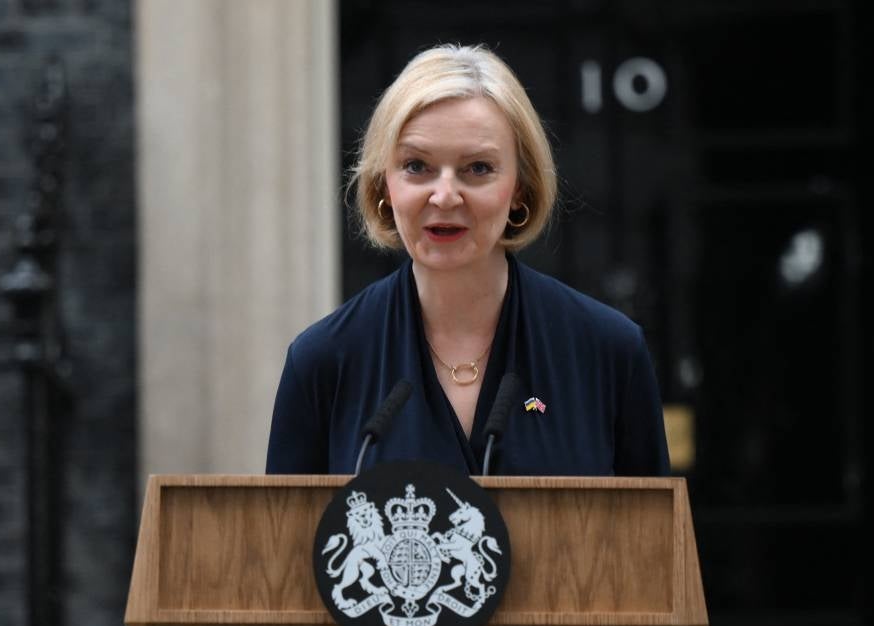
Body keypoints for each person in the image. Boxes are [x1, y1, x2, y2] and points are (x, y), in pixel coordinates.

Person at [266, 44, 669, 476]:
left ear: (520, 187)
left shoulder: (608, 351)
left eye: (477, 168)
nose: (444, 195)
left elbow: (653, 538)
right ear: (384, 184)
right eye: (416, 166)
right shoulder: (324, 359)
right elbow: (284, 538)